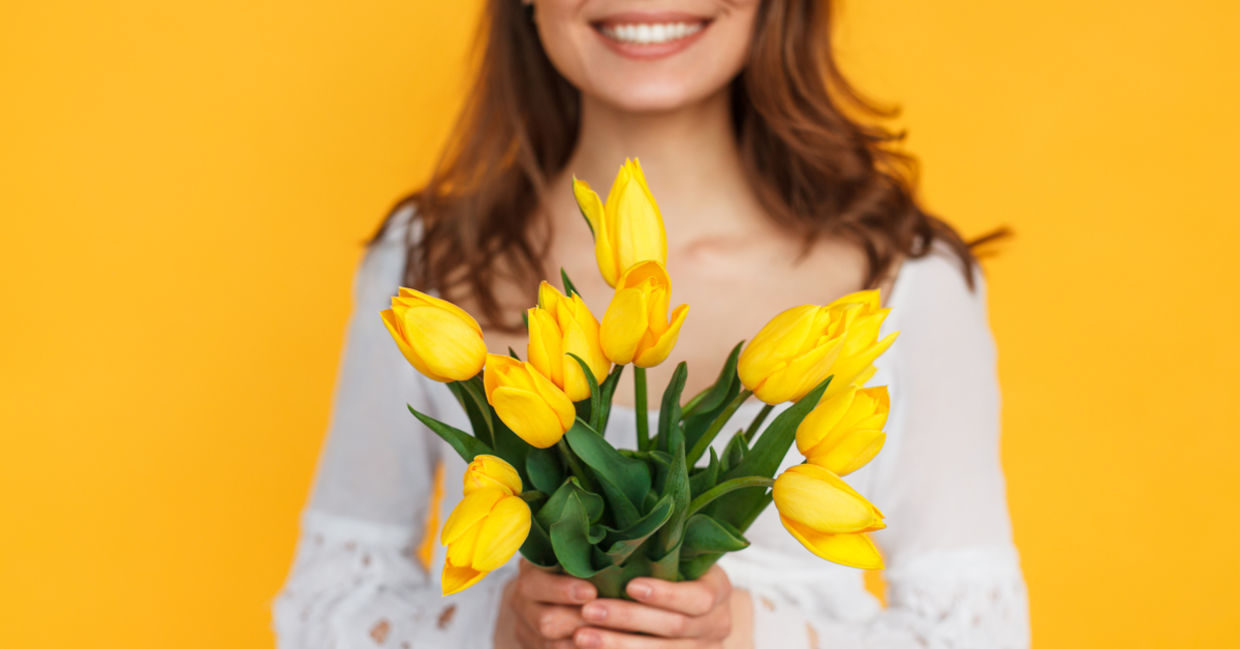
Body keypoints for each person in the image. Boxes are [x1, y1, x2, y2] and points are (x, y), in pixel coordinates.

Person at [272, 1, 1031, 647]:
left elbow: (976, 631)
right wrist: (497, 625)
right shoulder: (427, 261)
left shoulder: (908, 276)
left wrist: (742, 627)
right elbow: (320, 603)